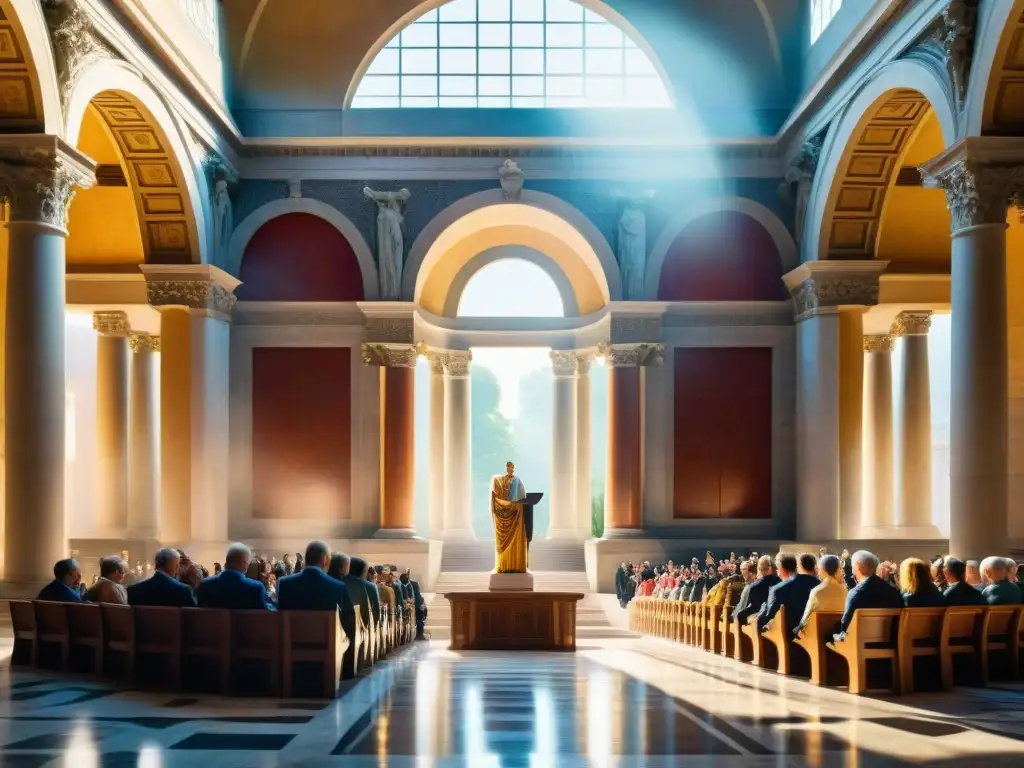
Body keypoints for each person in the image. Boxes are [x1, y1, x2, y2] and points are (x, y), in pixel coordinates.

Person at [838, 550, 903, 635]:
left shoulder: (855, 593)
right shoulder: (894, 592)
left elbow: (845, 626)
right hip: (890, 643)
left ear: (856, 568)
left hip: (859, 644)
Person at [197, 543, 275, 610]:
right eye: (248, 563)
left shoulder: (205, 585)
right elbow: (270, 613)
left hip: (214, 627)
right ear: (245, 562)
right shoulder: (256, 588)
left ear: (227, 560)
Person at [757, 553, 819, 635]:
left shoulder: (778, 589)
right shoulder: (820, 585)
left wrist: (757, 619)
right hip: (816, 634)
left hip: (788, 637)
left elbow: (767, 618)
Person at [490, 461, 528, 573]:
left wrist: (515, 505)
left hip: (516, 514)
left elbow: (522, 497)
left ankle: (516, 565)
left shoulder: (517, 481)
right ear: (506, 468)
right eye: (509, 467)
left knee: (517, 539)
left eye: (512, 467)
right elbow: (496, 497)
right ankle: (504, 565)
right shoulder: (501, 481)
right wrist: (505, 504)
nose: (511, 469)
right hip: (504, 512)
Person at [795, 554, 847, 635]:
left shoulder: (816, 591)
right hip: (839, 635)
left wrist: (797, 630)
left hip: (818, 636)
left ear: (823, 570)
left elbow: (804, 621)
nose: (818, 573)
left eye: (819, 570)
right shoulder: (845, 591)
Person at [126, 548, 195, 607]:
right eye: (177, 565)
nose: (178, 568)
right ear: (169, 564)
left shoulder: (133, 590)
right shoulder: (183, 590)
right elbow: (193, 617)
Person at [733, 555, 778, 624]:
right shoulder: (782, 582)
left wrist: (738, 615)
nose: (742, 572)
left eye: (744, 569)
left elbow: (754, 608)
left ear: (759, 569)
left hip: (763, 623)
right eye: (741, 569)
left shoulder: (755, 585)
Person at [400, 568, 427, 640]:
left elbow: (412, 596)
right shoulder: (414, 583)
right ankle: (420, 634)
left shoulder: (403, 585)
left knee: (419, 619)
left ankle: (420, 634)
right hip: (418, 603)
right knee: (420, 619)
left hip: (416, 603)